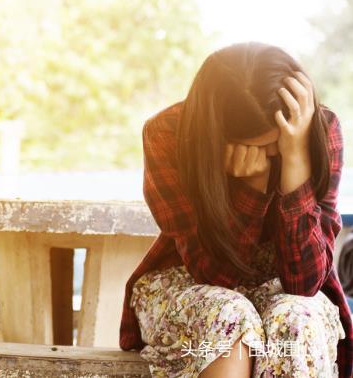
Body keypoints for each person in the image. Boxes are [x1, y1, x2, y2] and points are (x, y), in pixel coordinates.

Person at [119, 42, 352, 378]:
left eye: (278, 146)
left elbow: (305, 282)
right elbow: (214, 273)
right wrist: (254, 187)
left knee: (297, 319)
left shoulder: (318, 129)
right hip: (190, 284)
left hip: (285, 290)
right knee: (228, 316)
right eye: (261, 147)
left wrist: (296, 162)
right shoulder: (170, 133)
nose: (272, 154)